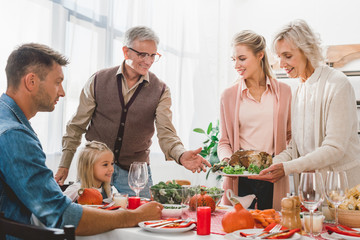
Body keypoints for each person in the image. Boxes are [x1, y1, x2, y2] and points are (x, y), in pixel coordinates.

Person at [0, 43, 162, 237]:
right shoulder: (14, 135)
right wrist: (134, 216)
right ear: (31, 81)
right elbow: (64, 217)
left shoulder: (7, 121)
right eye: (57, 82)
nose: (62, 92)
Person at [55, 26, 211, 198]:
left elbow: (166, 132)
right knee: (93, 218)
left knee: (140, 220)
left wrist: (180, 155)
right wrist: (65, 163)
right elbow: (76, 126)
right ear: (126, 52)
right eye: (142, 54)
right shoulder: (98, 80)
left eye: (153, 55)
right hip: (94, 168)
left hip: (135, 174)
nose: (148, 61)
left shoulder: (161, 90)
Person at [251, 19, 360, 189]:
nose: (281, 64)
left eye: (288, 56)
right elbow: (295, 147)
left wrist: (287, 168)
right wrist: (269, 165)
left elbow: (334, 148)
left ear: (307, 51)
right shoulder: (299, 91)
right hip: (312, 191)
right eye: (279, 57)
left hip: (343, 191)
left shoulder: (337, 84)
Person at [218, 30, 292, 210]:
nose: (236, 65)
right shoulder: (228, 95)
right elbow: (224, 142)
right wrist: (228, 162)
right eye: (233, 59)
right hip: (240, 180)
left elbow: (290, 137)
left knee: (273, 231)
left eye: (241, 59)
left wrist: (280, 163)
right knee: (237, 232)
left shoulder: (284, 92)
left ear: (260, 55)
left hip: (273, 175)